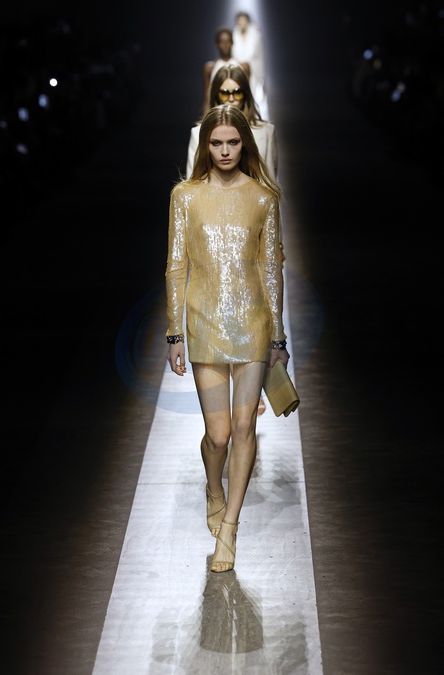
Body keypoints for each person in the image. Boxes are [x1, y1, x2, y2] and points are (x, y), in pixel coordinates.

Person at [165, 105, 290, 573]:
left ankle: (230, 529)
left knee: (243, 429)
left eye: (232, 142)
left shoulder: (263, 198)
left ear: (245, 144)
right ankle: (213, 488)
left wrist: (278, 338)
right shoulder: (185, 196)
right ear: (205, 146)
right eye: (216, 143)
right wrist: (174, 332)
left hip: (253, 324)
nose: (224, 151)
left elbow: (271, 270)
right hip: (204, 322)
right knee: (217, 437)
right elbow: (175, 266)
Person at [186, 65, 285, 417]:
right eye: (223, 92)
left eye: (236, 92)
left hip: (256, 228)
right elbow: (195, 178)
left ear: (246, 93)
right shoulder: (201, 132)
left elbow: (271, 182)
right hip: (213, 235)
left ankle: (252, 386)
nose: (230, 98)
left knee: (260, 298)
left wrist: (275, 241)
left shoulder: (265, 132)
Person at [202, 27, 250, 115]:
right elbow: (207, 97)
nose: (225, 44)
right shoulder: (209, 68)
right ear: (217, 44)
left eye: (228, 41)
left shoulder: (244, 67)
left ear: (232, 42)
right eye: (222, 41)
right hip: (218, 113)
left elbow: (248, 95)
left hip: (239, 112)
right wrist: (205, 117)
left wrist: (249, 116)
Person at [232, 11, 269, 120]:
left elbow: (260, 56)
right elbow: (234, 55)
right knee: (240, 96)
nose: (241, 22)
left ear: (248, 21)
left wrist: (262, 77)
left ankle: (257, 120)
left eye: (243, 20)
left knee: (256, 98)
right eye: (239, 20)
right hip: (239, 70)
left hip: (254, 71)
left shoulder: (256, 34)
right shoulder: (234, 34)